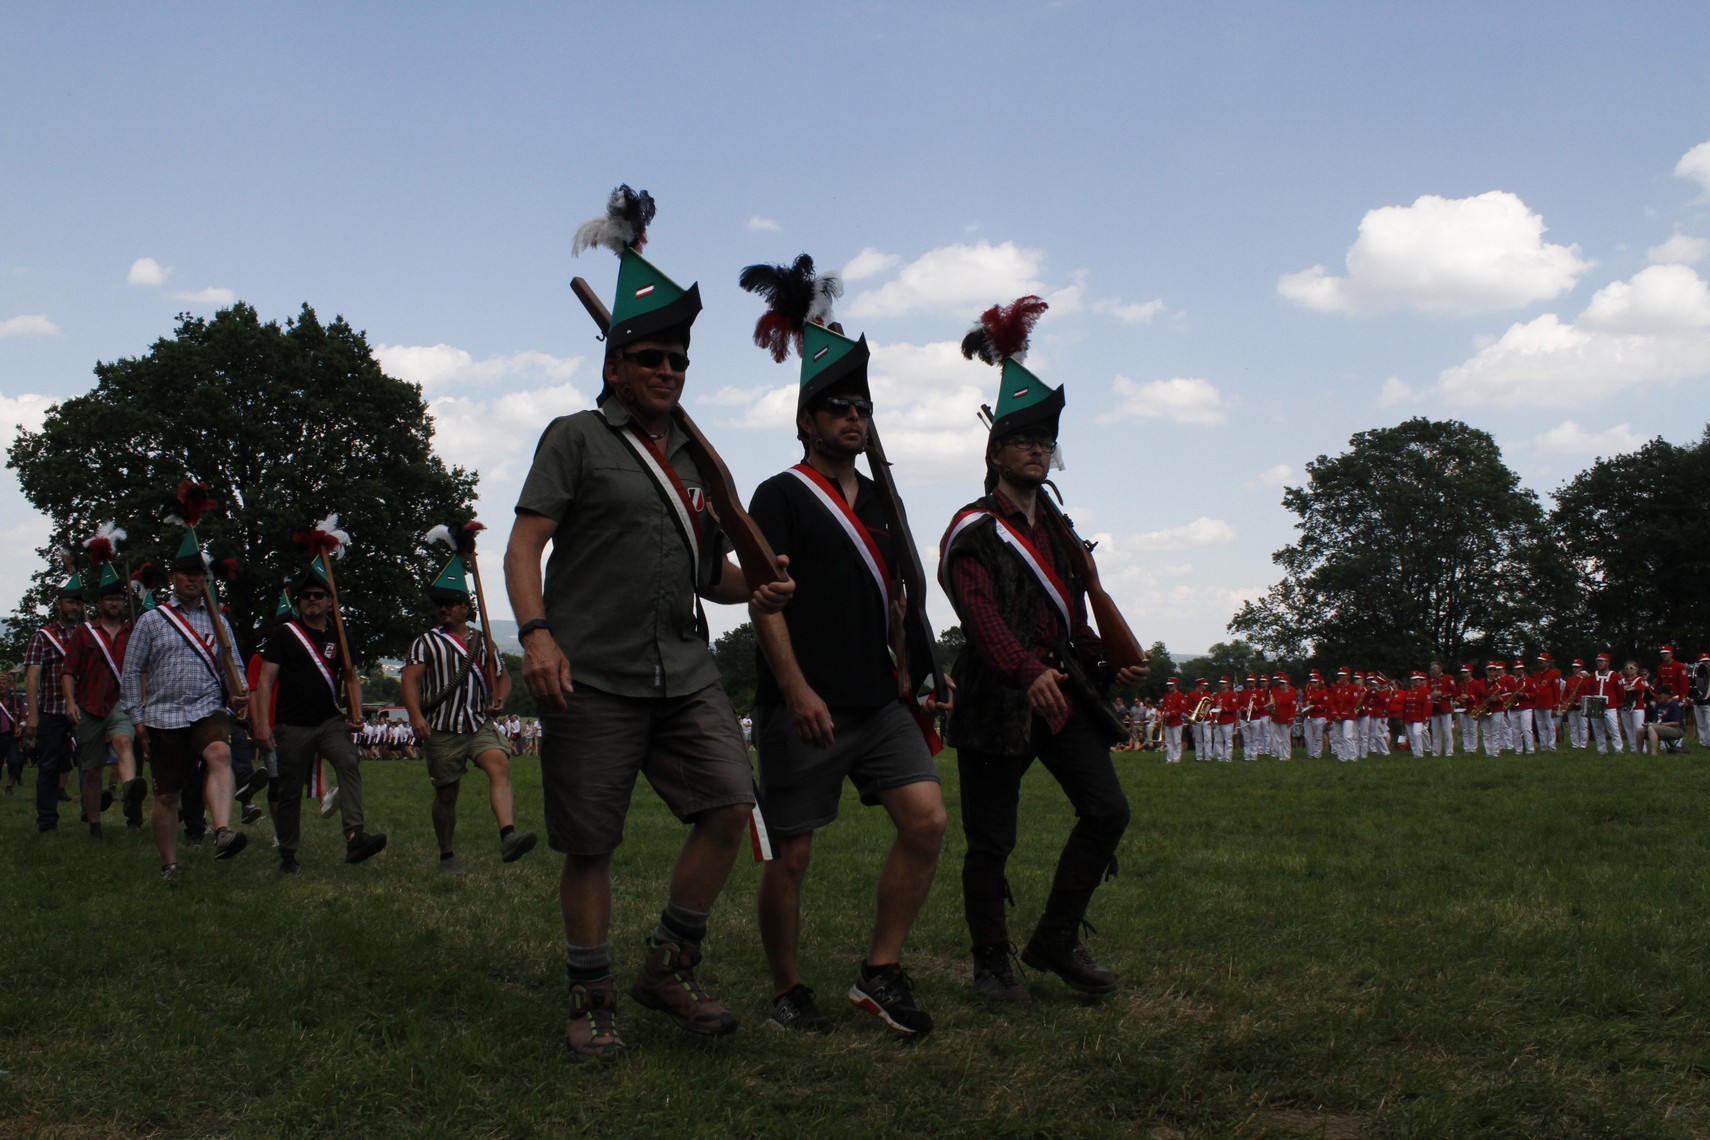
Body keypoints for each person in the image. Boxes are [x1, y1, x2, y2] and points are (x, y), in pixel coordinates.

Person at [504, 190, 793, 1061]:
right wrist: (536, 634)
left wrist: (760, 589)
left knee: (731, 805)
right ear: (616, 366)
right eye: (652, 357)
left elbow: (710, 577)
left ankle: (668, 966)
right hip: (590, 672)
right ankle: (590, 998)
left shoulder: (701, 464)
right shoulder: (575, 438)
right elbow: (524, 547)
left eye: (679, 360)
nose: (669, 371)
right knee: (592, 844)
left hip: (685, 672)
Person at [737, 270, 947, 1034]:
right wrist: (796, 690)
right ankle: (788, 990)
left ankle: (879, 972)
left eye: (863, 407)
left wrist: (919, 675)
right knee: (790, 855)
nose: (854, 417)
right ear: (807, 421)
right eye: (839, 407)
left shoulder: (885, 501)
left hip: (880, 698)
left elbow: (899, 600)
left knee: (926, 821)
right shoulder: (779, 495)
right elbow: (765, 603)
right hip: (805, 701)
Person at [940, 295, 1144, 1002]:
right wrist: (1024, 670)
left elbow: (1068, 619)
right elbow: (981, 615)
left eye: (1044, 441)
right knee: (992, 840)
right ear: (995, 452)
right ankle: (991, 963)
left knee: (1107, 810)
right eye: (1023, 439)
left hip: (1060, 693)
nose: (1036, 449)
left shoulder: (1059, 532)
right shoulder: (972, 528)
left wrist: (1104, 657)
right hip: (998, 698)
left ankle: (1055, 939)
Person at [402, 534, 536, 875]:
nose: (444, 609)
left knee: (499, 765)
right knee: (447, 794)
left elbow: (502, 677)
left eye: (451, 603)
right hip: (442, 728)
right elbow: (409, 680)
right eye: (440, 604)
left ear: (465, 607)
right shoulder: (425, 642)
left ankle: (508, 834)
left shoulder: (483, 640)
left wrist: (500, 698)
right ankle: (447, 854)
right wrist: (416, 716)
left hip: (478, 723)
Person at [120, 532, 249, 880]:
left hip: (207, 709)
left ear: (205, 580)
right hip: (163, 716)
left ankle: (222, 831)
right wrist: (137, 719)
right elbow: (131, 671)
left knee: (220, 753)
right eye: (186, 574)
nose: (193, 580)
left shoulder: (218, 621)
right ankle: (170, 865)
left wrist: (240, 692)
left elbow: (233, 664)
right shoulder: (152, 621)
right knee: (167, 795)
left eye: (198, 575)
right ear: (173, 578)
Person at [251, 555, 387, 875]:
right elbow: (266, 680)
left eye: (318, 595)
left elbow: (350, 677)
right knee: (289, 790)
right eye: (306, 596)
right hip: (292, 725)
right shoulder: (285, 634)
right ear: (299, 601)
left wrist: (355, 712)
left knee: (348, 760)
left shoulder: (341, 635)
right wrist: (262, 725)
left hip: (329, 720)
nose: (311, 600)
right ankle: (288, 853)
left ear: (329, 601)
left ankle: (354, 836)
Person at [60, 555, 141, 838]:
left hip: (121, 703)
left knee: (123, 742)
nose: (114, 603)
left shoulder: (134, 632)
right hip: (89, 705)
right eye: (109, 599)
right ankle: (95, 825)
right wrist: (70, 702)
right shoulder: (84, 633)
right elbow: (68, 671)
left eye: (118, 599)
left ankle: (130, 789)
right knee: (92, 770)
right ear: (100, 603)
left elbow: (143, 669)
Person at [25, 562, 86, 832]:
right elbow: (32, 677)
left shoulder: (88, 634)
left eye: (78, 604)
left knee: (88, 765)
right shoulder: (42, 637)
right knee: (49, 766)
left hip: (83, 709)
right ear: (59, 604)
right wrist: (33, 715)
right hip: (51, 709)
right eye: (70, 602)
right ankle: (47, 821)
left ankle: (90, 814)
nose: (74, 608)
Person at [1643, 687, 1685, 754]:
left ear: (1667, 695)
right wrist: (1648, 724)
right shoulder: (1659, 705)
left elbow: (1676, 723)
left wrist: (1659, 725)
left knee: (1651, 728)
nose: (1658, 696)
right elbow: (1655, 719)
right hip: (1661, 727)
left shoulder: (1674, 705)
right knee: (1640, 731)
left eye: (1660, 694)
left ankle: (1654, 753)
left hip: (1677, 729)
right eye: (1658, 694)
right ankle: (1639, 753)